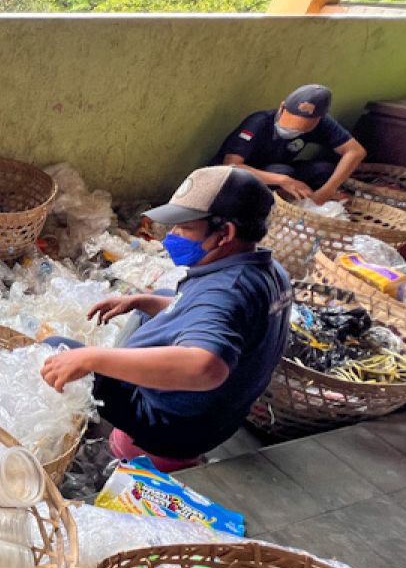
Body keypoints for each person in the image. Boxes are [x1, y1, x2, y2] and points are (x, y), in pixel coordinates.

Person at [40, 166, 292, 471]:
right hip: (214, 419)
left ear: (225, 234)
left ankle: (95, 432)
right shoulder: (266, 270)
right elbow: (203, 312)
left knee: (56, 348)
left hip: (167, 427)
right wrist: (142, 301)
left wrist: (92, 358)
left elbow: (207, 367)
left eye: (183, 228)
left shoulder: (227, 292)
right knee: (156, 299)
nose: (171, 236)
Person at [212, 83, 366, 206]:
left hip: (283, 171)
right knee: (283, 171)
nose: (291, 130)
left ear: (319, 119)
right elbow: (231, 166)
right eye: (289, 123)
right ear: (282, 107)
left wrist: (326, 191)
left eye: (301, 128)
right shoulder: (258, 122)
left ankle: (305, 204)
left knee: (324, 170)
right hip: (242, 179)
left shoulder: (323, 124)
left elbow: (355, 151)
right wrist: (283, 180)